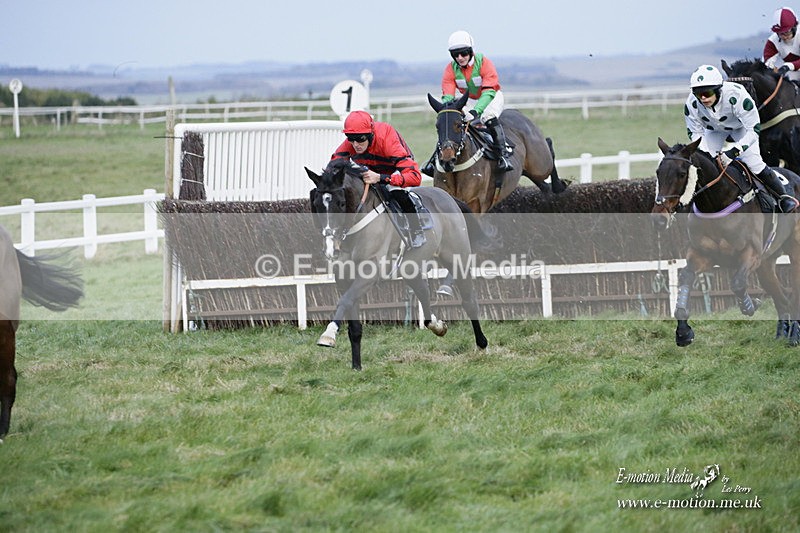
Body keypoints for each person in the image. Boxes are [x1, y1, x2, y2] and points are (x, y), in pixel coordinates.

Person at [685, 64, 799, 213]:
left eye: (707, 92)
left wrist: (734, 152)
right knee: (704, 163)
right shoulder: (691, 103)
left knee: (754, 162)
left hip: (742, 128)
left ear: (719, 89)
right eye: (698, 94)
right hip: (714, 130)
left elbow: (754, 129)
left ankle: (784, 198)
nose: (703, 98)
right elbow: (694, 133)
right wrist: (706, 153)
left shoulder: (737, 95)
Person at [421, 30, 512, 176]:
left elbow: (488, 92)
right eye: (455, 55)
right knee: (449, 121)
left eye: (463, 53)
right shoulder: (451, 69)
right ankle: (434, 161)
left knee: (487, 117)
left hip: (490, 97)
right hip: (468, 99)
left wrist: (476, 112)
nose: (460, 58)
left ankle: (502, 155)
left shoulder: (484, 63)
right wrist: (448, 109)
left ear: (470, 51)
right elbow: (448, 95)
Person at [331, 110, 426, 248]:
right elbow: (333, 166)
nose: (356, 144)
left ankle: (416, 230)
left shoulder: (387, 140)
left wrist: (381, 178)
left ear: (370, 135)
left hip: (393, 169)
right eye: (350, 138)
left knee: (395, 190)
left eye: (360, 139)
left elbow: (415, 177)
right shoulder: (352, 142)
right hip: (369, 169)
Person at [764, 7, 800, 82]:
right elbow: (768, 64)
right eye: (780, 33)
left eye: (787, 32)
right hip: (793, 72)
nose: (784, 37)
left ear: (794, 28)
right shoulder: (772, 41)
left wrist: (788, 66)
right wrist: (774, 70)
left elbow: (788, 66)